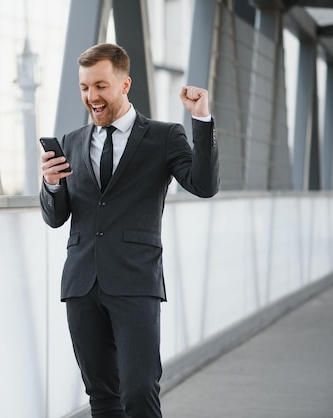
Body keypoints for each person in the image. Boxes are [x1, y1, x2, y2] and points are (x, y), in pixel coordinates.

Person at [39, 43, 219, 417]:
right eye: (85, 87)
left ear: (125, 84)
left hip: (136, 282)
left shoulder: (163, 136)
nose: (92, 97)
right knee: (102, 397)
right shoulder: (72, 142)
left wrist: (200, 120)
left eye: (101, 86)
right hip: (81, 284)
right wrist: (52, 184)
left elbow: (204, 185)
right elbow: (57, 218)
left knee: (138, 390)